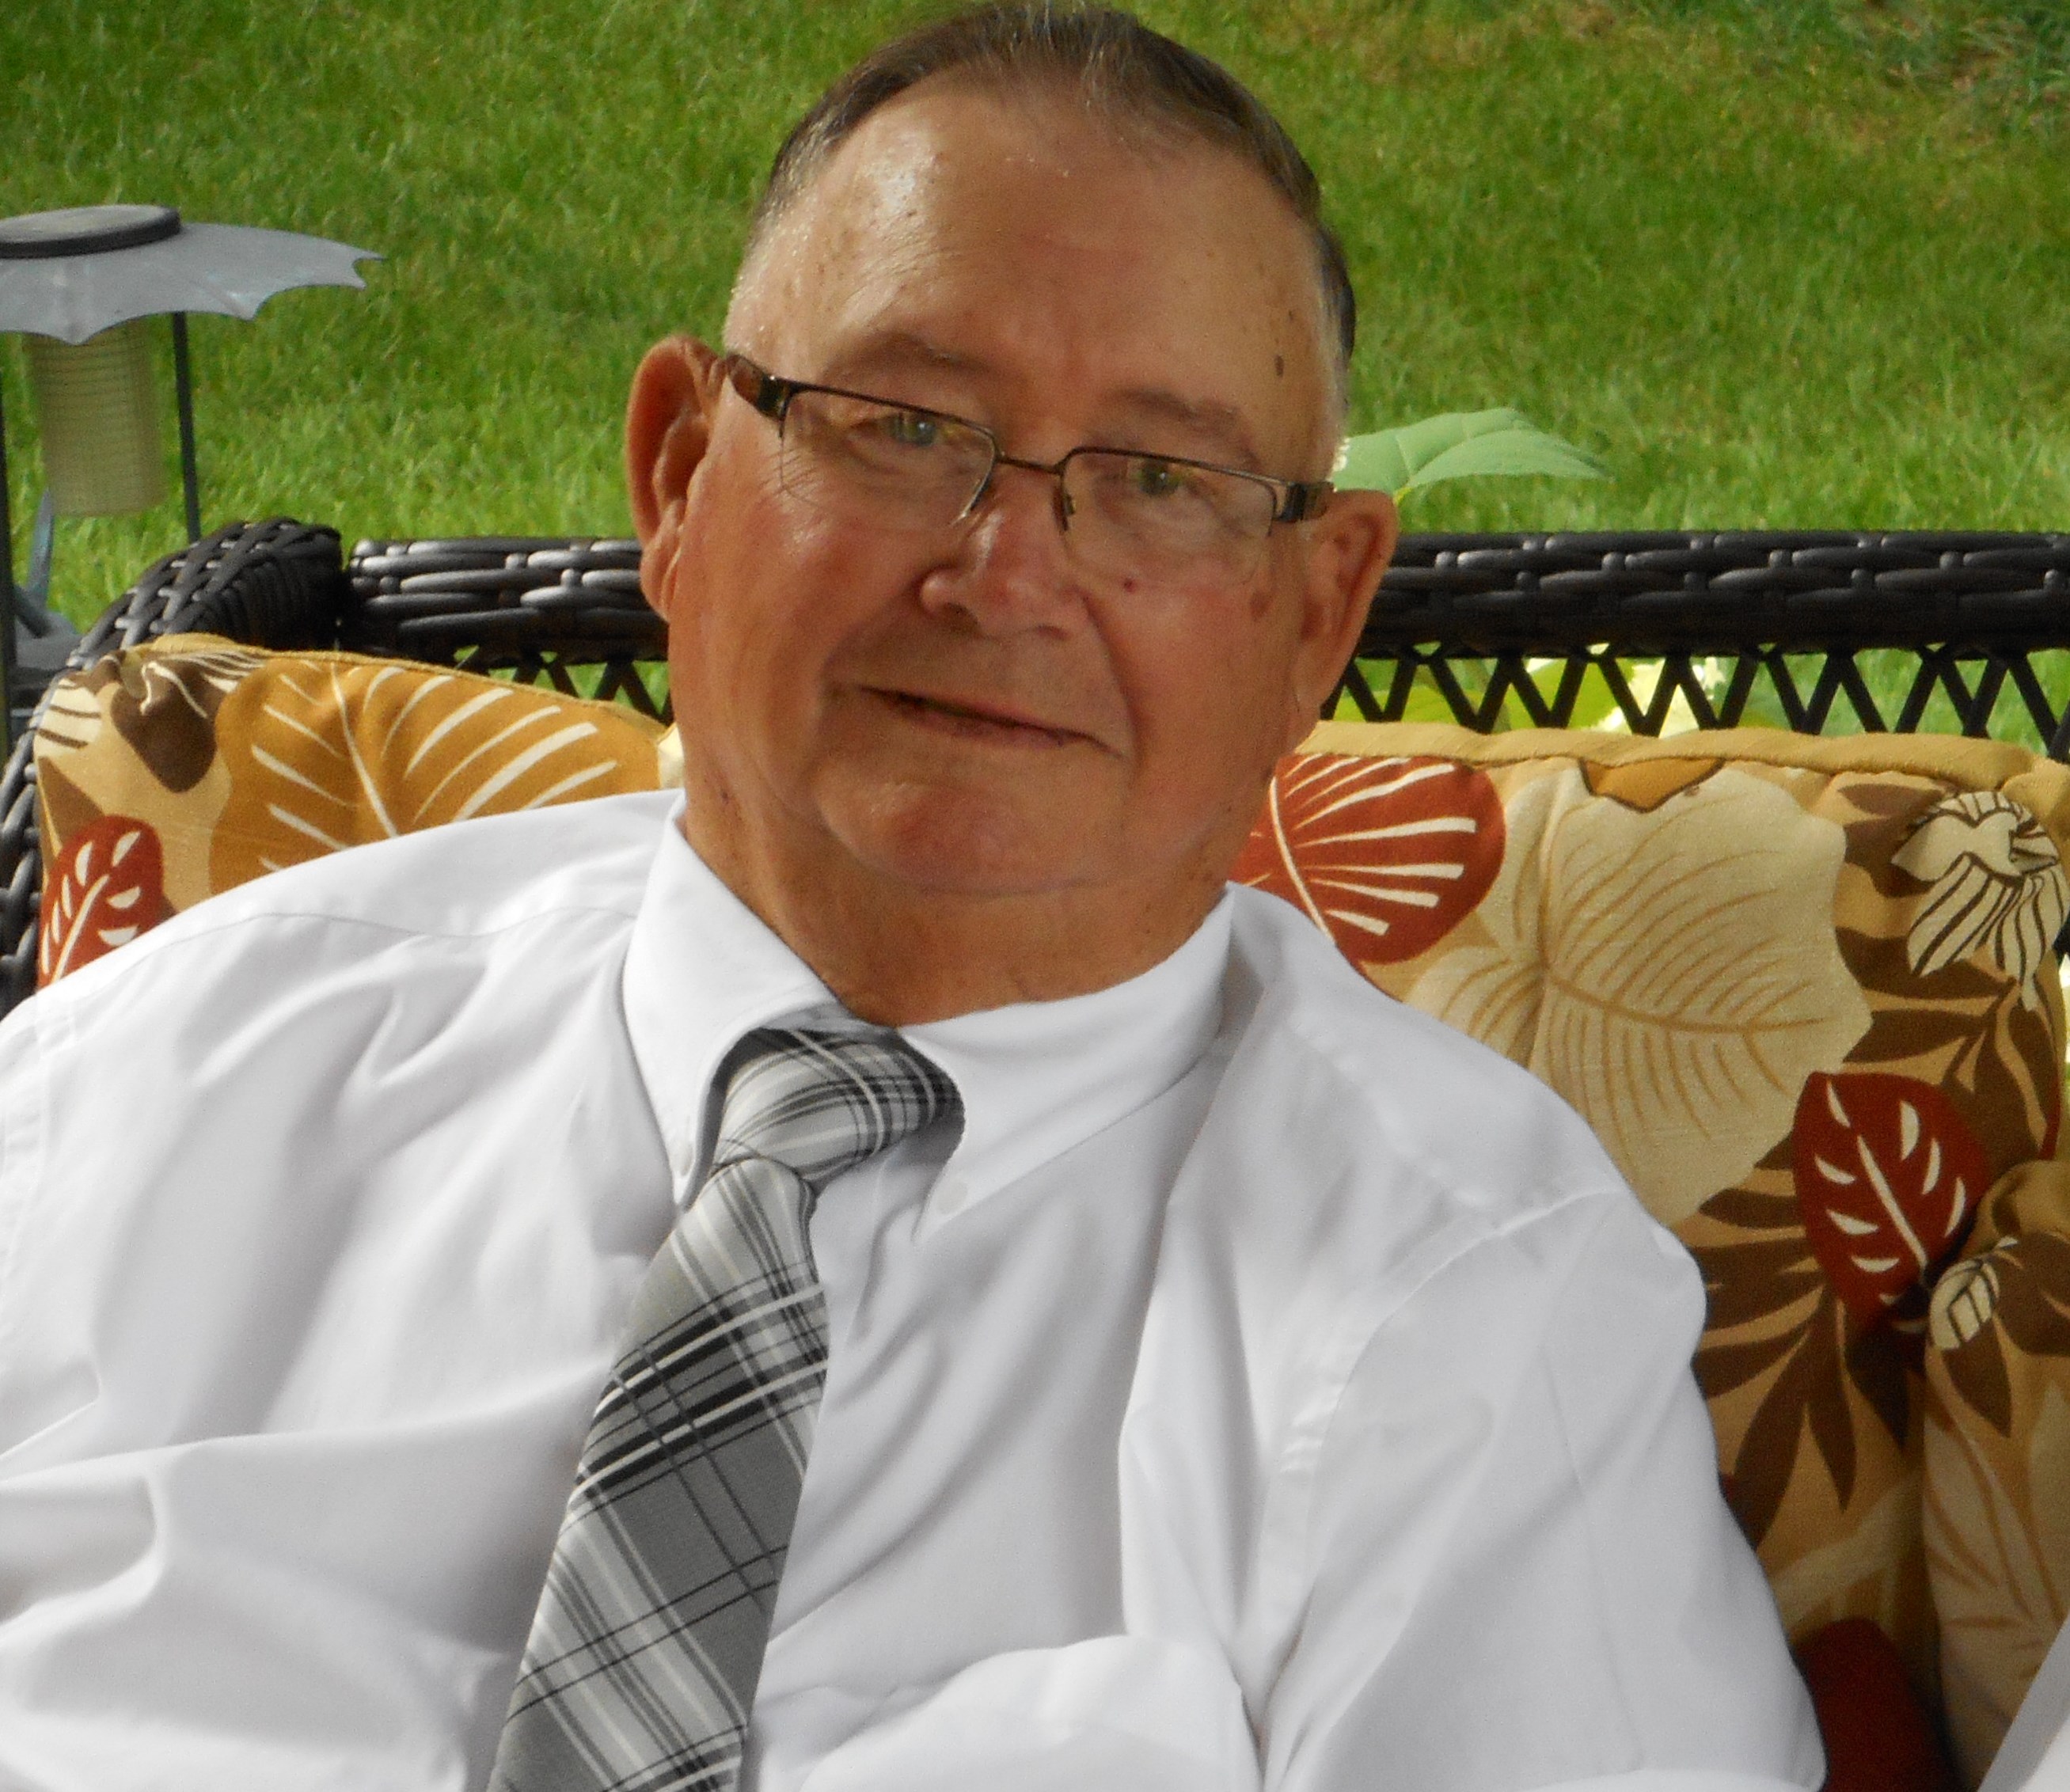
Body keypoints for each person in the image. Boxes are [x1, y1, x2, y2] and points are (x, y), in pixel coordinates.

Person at [0, 6, 1825, 1790]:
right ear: (679, 473)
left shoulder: (1471, 1313)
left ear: (1316, 615)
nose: (1008, 574)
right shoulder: (161, 1080)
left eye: (1162, 480)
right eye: (901, 424)